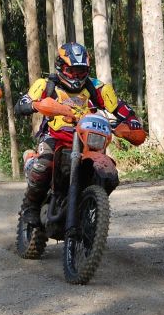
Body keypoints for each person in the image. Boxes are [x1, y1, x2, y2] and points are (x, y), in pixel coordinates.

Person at [14, 42, 143, 226]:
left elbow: (119, 107)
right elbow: (21, 104)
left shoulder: (96, 88)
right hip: (54, 136)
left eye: (81, 71)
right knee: (43, 164)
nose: (76, 76)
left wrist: (132, 121)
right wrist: (35, 105)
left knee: (109, 174)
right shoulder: (46, 85)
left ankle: (91, 204)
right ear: (60, 67)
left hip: (88, 139)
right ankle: (30, 206)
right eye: (71, 71)